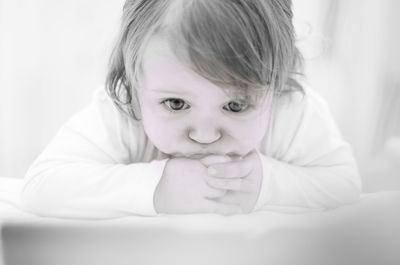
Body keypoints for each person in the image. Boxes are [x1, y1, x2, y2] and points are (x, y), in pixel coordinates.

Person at [21, 0, 361, 218]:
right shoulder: (124, 111)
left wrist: (266, 183)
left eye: (236, 105)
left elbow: (344, 183)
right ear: (133, 80)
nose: (204, 135)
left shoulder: (291, 109)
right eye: (176, 104)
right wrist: (158, 187)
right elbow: (41, 187)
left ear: (276, 82)